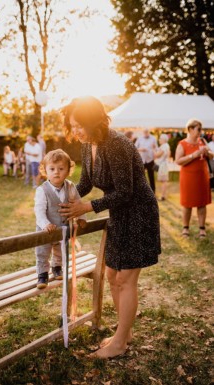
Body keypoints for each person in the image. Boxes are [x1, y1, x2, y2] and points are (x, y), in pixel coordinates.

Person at [60, 96, 161, 359]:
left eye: (79, 125)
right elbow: (85, 183)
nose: (76, 131)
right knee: (112, 276)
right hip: (119, 213)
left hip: (138, 212)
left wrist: (86, 207)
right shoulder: (87, 145)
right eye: (73, 125)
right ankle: (124, 334)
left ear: (94, 122)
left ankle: (119, 343)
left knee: (126, 279)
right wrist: (61, 195)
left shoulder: (116, 144)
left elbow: (126, 192)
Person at [34, 149, 86, 289]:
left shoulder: (70, 187)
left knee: (60, 250)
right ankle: (42, 274)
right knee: (43, 251)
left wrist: (81, 217)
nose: (56, 172)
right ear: (45, 170)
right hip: (47, 230)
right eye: (52, 169)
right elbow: (39, 211)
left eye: (61, 168)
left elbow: (78, 203)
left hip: (63, 228)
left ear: (68, 170)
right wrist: (45, 224)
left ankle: (57, 267)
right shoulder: (42, 190)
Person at [175, 119, 213, 238]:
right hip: (188, 177)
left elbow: (212, 155)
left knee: (202, 204)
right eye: (198, 129)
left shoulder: (202, 141)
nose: (200, 132)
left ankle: (202, 228)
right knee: (187, 204)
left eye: (201, 129)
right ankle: (185, 228)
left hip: (202, 176)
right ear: (190, 129)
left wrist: (208, 153)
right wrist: (194, 155)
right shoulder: (182, 144)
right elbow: (178, 161)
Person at [135, 128, 158, 193]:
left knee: (151, 176)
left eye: (147, 132)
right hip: (142, 160)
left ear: (149, 132)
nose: (146, 133)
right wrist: (141, 149)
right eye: (144, 132)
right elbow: (135, 147)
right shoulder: (139, 138)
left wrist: (154, 149)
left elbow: (156, 148)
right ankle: (142, 191)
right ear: (143, 132)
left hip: (150, 160)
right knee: (141, 176)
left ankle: (153, 191)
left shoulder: (153, 138)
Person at [154, 134, 171, 201]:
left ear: (164, 139)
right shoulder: (166, 146)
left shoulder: (164, 146)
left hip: (163, 165)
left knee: (163, 181)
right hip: (163, 164)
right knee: (163, 181)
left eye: (160, 138)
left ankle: (163, 196)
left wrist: (154, 152)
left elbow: (158, 155)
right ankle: (163, 195)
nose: (159, 140)